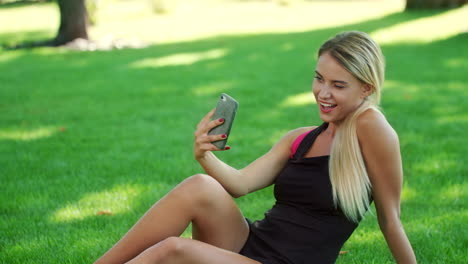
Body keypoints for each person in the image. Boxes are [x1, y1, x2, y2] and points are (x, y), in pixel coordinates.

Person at [94, 31, 417, 264]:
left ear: (367, 89)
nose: (323, 92)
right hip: (252, 244)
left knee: (173, 250)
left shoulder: (371, 127)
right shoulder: (300, 139)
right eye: (319, 79)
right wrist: (203, 154)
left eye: (338, 85)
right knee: (199, 186)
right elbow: (240, 184)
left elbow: (390, 221)